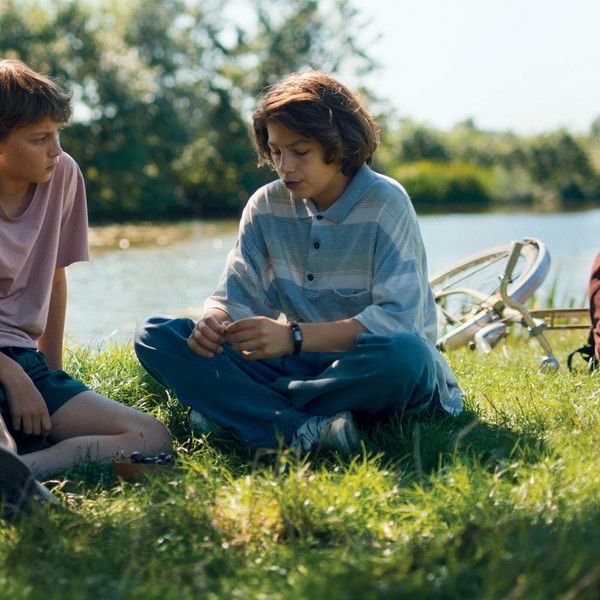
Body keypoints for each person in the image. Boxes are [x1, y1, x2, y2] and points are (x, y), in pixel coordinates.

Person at [135, 69, 462, 454]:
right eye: (276, 152)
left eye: (300, 152)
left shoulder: (386, 203)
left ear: (339, 146)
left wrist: (293, 337)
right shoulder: (265, 206)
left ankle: (243, 412)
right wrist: (215, 320)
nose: (285, 166)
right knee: (157, 336)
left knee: (407, 356)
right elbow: (237, 297)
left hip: (368, 367)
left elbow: (398, 322)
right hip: (297, 363)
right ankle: (301, 426)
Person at [0, 59, 172, 491]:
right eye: (39, 138)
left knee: (151, 437)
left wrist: (49, 380)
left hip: (23, 358)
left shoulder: (63, 175)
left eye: (57, 133)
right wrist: (12, 376)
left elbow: (55, 279)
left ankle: (27, 472)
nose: (55, 150)